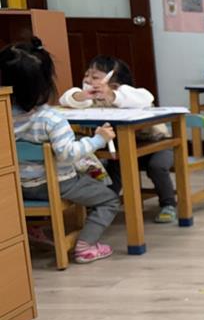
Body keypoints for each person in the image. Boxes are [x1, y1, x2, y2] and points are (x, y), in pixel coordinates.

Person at [2, 39, 120, 263]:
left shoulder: (3, 116)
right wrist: (98, 140)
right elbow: (68, 153)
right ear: (45, 83)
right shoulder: (52, 119)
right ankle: (86, 245)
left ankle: (33, 228)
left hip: (17, 186)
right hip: (58, 184)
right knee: (109, 199)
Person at [60, 56, 178, 224]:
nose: (87, 80)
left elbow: (145, 97)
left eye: (95, 77)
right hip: (121, 148)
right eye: (86, 75)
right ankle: (106, 204)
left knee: (157, 167)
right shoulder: (91, 99)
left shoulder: (127, 94)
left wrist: (111, 94)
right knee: (113, 169)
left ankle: (168, 203)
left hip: (156, 144)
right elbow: (66, 98)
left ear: (114, 84)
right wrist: (81, 95)